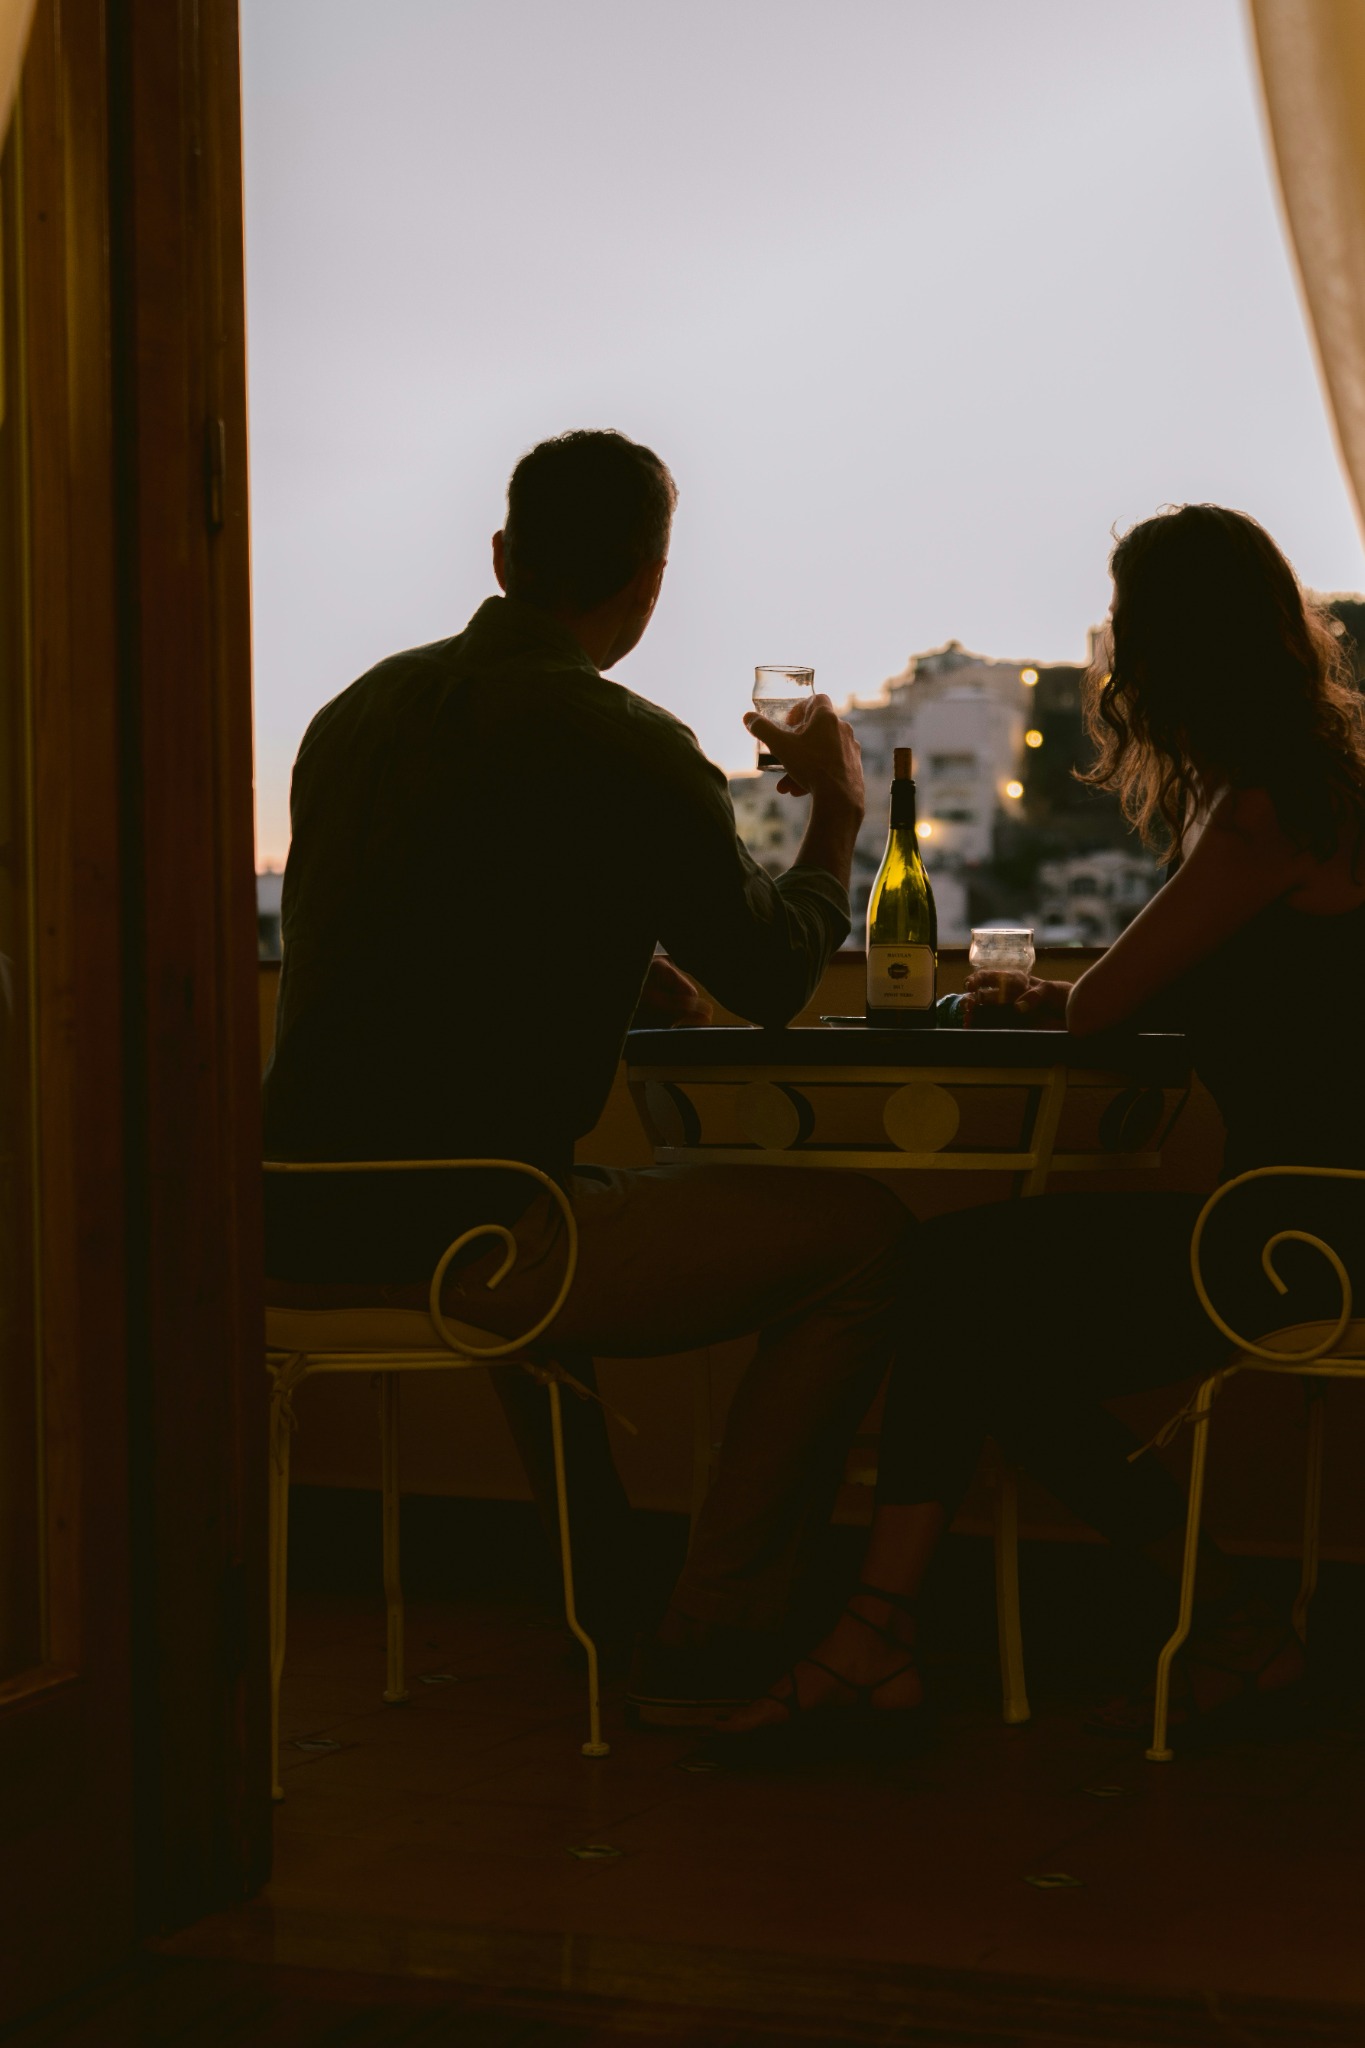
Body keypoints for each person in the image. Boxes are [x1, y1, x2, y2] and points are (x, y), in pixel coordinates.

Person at [261, 429, 912, 1725]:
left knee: (549, 1185)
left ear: (502, 556)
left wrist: (610, 973)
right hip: (487, 1234)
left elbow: (434, 934)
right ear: (648, 580)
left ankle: (603, 1581)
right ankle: (718, 1609)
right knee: (869, 1240)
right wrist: (837, 810)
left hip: (289, 1214)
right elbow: (777, 974)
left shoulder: (356, 718)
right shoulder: (625, 742)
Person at [726, 502, 1365, 1740]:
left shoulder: (1261, 814)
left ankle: (889, 1636)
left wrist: (1035, 1002)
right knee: (979, 1320)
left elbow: (1107, 1008)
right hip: (1310, 1214)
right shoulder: (1308, 790)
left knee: (952, 1281)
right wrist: (1066, 999)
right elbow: (1168, 994)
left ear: (1167, 648)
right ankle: (1201, 1616)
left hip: (1301, 1230)